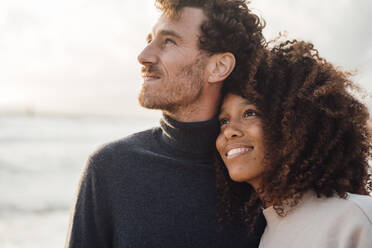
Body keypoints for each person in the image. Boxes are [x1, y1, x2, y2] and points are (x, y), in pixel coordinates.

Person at [65, 0, 266, 247]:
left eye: (168, 41)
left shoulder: (262, 174)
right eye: (150, 40)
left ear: (218, 67)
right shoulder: (111, 167)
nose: (144, 56)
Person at [216, 39, 372, 248]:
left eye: (250, 113)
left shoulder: (353, 218)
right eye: (223, 121)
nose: (229, 131)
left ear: (297, 123)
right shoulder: (265, 235)